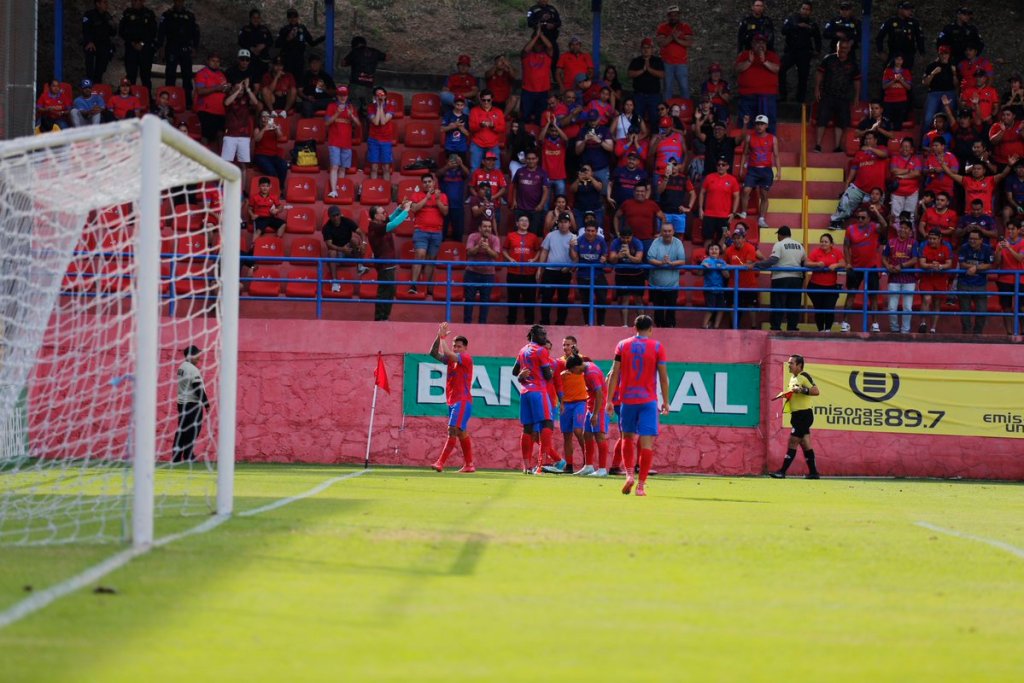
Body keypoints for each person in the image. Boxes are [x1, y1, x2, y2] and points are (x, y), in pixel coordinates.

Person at [604, 315, 670, 497]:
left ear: (634, 328)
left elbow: (614, 373)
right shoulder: (657, 347)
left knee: (627, 438)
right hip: (648, 401)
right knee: (647, 444)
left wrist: (609, 400)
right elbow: (664, 378)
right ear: (651, 329)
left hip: (627, 400)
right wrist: (666, 401)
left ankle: (628, 474)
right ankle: (641, 486)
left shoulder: (622, 345)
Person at [428, 322, 475, 473]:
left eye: (459, 346)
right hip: (453, 400)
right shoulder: (451, 359)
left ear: (465, 348)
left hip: (462, 401)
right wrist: (438, 336)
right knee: (461, 433)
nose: (455, 348)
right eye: (454, 346)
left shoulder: (466, 358)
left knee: (452, 429)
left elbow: (448, 354)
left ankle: (440, 462)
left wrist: (443, 338)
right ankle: (469, 465)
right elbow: (433, 353)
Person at [512, 325, 556, 474]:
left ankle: (526, 467)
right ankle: (541, 465)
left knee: (528, 428)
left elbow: (514, 371)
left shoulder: (522, 350)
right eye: (542, 334)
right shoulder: (541, 351)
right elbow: (548, 376)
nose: (544, 337)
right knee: (547, 424)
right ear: (533, 335)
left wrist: (521, 376)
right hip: (538, 391)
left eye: (545, 334)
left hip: (525, 392)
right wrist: (550, 371)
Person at [768, 355, 820, 479]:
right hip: (796, 415)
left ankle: (782, 472)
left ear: (799, 365)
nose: (788, 365)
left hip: (804, 415)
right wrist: (786, 395)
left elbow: (816, 391)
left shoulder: (804, 376)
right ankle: (814, 473)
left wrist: (802, 390)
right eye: (788, 363)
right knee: (806, 444)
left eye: (791, 363)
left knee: (793, 441)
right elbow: (795, 393)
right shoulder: (792, 378)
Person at [840, 207, 887, 333]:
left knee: (873, 297)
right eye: (858, 217)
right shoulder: (850, 229)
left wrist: (876, 211)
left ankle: (875, 323)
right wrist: (848, 263)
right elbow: (846, 246)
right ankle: (845, 323)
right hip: (855, 268)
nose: (860, 220)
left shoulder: (874, 227)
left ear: (869, 219)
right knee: (851, 294)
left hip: (871, 268)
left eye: (863, 217)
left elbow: (884, 225)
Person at [829, 131, 889, 229]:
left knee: (872, 211)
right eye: (866, 139)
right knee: (846, 199)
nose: (867, 141)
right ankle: (836, 222)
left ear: (876, 140)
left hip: (875, 191)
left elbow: (884, 155)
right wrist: (848, 182)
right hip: (858, 187)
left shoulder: (881, 149)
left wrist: (870, 149)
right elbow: (854, 169)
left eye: (870, 138)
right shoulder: (860, 154)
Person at [563, 355, 609, 476]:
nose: (573, 373)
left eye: (573, 371)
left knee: (599, 436)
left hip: (599, 408)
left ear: (577, 366)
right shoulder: (586, 366)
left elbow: (599, 393)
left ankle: (602, 469)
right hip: (591, 407)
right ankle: (588, 466)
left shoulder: (591, 373)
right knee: (586, 434)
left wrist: (595, 414)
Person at [753, 225, 806, 330]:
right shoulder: (799, 245)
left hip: (780, 278)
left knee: (778, 304)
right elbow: (804, 262)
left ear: (780, 235)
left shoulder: (779, 244)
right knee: (794, 305)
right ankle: (792, 327)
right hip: (796, 279)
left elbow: (773, 260)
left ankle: (776, 327)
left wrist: (756, 265)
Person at [367, 202, 411, 322]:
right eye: (382, 213)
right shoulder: (376, 227)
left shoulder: (379, 223)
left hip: (388, 263)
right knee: (385, 291)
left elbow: (390, 218)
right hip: (384, 264)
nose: (385, 214)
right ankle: (380, 317)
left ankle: (384, 316)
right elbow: (394, 223)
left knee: (389, 290)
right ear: (376, 216)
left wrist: (399, 209)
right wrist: (406, 211)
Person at [814, 37, 859, 153]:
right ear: (837, 48)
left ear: (849, 49)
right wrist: (817, 88)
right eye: (840, 48)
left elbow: (857, 80)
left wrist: (856, 96)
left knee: (841, 122)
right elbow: (820, 73)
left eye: (845, 48)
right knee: (822, 119)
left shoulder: (853, 63)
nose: (842, 50)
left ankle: (837, 146)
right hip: (827, 95)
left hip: (844, 97)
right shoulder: (828, 59)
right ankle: (818, 145)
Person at [407, 174, 449, 295]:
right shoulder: (416, 195)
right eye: (424, 182)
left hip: (436, 232)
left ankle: (426, 286)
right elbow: (414, 209)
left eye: (429, 181)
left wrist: (437, 199)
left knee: (431, 259)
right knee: (420, 254)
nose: (427, 184)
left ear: (433, 183)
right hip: (421, 231)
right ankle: (413, 285)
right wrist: (426, 197)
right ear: (422, 184)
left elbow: (445, 212)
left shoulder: (442, 196)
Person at [738, 114, 781, 229]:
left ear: (766, 125)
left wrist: (779, 170)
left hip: (766, 170)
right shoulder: (749, 137)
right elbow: (744, 154)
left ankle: (761, 218)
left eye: (762, 124)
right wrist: (741, 168)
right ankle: (744, 212)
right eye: (757, 124)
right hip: (752, 169)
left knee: (764, 194)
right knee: (746, 190)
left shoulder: (772, 138)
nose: (759, 126)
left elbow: (776, 155)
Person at [157, 0, 200, 109]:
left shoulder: (189, 16)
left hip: (185, 48)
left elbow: (195, 32)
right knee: (170, 74)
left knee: (187, 75)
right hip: (172, 47)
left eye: (181, 1)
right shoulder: (167, 15)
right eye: (177, 1)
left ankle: (187, 101)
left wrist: (195, 47)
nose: (179, 3)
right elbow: (161, 32)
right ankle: (168, 100)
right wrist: (160, 48)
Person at [734, 33, 781, 133]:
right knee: (746, 122)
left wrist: (764, 61)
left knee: (768, 121)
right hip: (747, 95)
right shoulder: (745, 54)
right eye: (758, 42)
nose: (761, 45)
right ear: (752, 44)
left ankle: (769, 144)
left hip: (767, 95)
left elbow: (776, 69)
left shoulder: (772, 55)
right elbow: (738, 69)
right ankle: (744, 144)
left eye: (763, 42)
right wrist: (749, 61)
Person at [537, 212, 577, 326]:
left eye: (566, 222)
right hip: (550, 270)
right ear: (557, 223)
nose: (563, 224)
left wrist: (570, 268)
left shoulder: (574, 237)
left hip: (565, 272)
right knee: (546, 297)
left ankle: (561, 322)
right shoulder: (550, 235)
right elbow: (544, 251)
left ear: (569, 224)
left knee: (563, 298)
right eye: (561, 222)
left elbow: (576, 257)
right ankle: (544, 321)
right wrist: (540, 268)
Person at [172, 345, 209, 463]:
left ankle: (176, 456)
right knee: (193, 431)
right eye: (197, 355)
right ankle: (188, 456)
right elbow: (198, 388)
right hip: (192, 405)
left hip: (182, 404)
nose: (199, 357)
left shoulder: (182, 367)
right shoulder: (193, 370)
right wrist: (206, 404)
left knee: (182, 430)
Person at [779, 1, 822, 103]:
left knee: (803, 76)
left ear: (810, 12)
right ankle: (782, 95)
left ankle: (800, 99)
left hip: (804, 53)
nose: (805, 11)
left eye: (807, 9)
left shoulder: (812, 24)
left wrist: (817, 50)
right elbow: (783, 30)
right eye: (803, 9)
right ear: (800, 9)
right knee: (780, 69)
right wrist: (798, 26)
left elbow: (818, 38)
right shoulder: (792, 19)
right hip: (791, 51)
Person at [883, 217, 920, 334]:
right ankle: (894, 329)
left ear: (910, 231)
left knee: (907, 307)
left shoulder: (914, 243)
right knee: (892, 307)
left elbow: (915, 259)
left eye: (906, 228)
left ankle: (905, 331)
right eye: (901, 228)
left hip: (909, 280)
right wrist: (888, 265)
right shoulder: (891, 242)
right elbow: (884, 256)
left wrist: (902, 266)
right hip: (894, 279)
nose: (903, 230)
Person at [504, 215, 543, 325]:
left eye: (526, 221)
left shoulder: (533, 237)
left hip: (529, 274)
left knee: (530, 302)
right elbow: (504, 249)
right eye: (521, 220)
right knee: (512, 301)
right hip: (513, 274)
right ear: (517, 223)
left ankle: (530, 325)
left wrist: (534, 259)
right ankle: (511, 323)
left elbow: (539, 250)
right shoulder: (510, 236)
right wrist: (509, 258)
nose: (524, 223)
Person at [647, 223, 686, 328]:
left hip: (672, 285)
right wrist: (661, 263)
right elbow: (650, 258)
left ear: (673, 232)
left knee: (671, 311)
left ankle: (670, 327)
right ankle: (659, 327)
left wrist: (671, 263)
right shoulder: (656, 242)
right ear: (661, 232)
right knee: (658, 310)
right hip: (656, 284)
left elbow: (682, 260)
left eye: (669, 231)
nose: (667, 233)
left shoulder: (678, 243)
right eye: (665, 231)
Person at [804, 232, 845, 332]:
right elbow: (806, 263)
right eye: (821, 241)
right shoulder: (816, 252)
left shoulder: (837, 252)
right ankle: (820, 330)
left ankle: (828, 330)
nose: (823, 243)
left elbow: (843, 263)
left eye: (826, 242)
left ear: (831, 244)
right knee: (819, 310)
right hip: (815, 286)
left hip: (831, 287)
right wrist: (817, 264)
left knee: (829, 309)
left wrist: (836, 265)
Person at [463, 218, 501, 324]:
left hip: (488, 275)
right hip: (471, 273)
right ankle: (467, 324)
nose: (487, 229)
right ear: (480, 228)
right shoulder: (472, 237)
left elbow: (496, 255)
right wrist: (478, 246)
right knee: (469, 300)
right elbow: (469, 253)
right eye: (485, 226)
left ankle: (482, 325)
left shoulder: (495, 239)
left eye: (489, 227)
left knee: (485, 301)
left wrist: (488, 248)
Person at [916, 228, 954, 333]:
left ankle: (933, 328)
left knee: (937, 303)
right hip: (927, 278)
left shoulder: (946, 248)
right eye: (930, 238)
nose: (931, 241)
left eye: (934, 239)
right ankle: (923, 323)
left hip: (941, 279)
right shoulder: (924, 247)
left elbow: (949, 263)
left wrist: (941, 266)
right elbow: (922, 263)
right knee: (927, 299)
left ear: (940, 238)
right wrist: (931, 266)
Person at [957, 228, 994, 334]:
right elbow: (962, 263)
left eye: (975, 239)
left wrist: (975, 268)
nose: (972, 241)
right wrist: (975, 266)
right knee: (965, 312)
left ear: (981, 240)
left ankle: (978, 333)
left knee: (982, 311)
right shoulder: (964, 248)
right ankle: (967, 333)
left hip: (980, 284)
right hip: (964, 283)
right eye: (970, 238)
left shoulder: (987, 249)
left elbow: (989, 264)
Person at [325, 86, 360, 197]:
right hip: (334, 141)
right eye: (340, 95)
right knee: (335, 166)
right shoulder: (331, 106)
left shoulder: (351, 107)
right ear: (337, 96)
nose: (342, 97)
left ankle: (338, 190)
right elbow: (326, 123)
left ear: (347, 96)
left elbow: (358, 124)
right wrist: (337, 113)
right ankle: (333, 190)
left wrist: (351, 115)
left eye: (344, 95)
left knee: (342, 168)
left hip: (346, 142)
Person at [608, 226, 646, 327]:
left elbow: (638, 260)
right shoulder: (615, 243)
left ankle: (641, 325)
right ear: (620, 236)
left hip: (637, 275)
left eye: (628, 238)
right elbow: (612, 260)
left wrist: (628, 255)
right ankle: (624, 324)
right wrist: (618, 256)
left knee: (638, 299)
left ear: (631, 236)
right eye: (623, 238)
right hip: (622, 275)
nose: (625, 240)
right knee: (624, 299)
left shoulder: (637, 242)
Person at [724, 225, 760, 328]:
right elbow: (724, 266)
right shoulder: (729, 250)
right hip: (733, 284)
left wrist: (730, 267)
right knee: (732, 305)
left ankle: (754, 326)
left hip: (749, 284)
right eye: (734, 238)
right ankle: (734, 326)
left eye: (738, 238)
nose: (736, 240)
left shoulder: (750, 248)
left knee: (751, 305)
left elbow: (748, 265)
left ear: (744, 238)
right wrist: (725, 269)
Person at [698, 159, 741, 246]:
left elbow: (737, 197)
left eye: (723, 164)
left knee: (723, 238)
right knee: (707, 238)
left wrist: (733, 213)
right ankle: (707, 259)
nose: (721, 166)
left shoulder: (732, 180)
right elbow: (702, 193)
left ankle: (722, 259)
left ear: (727, 167)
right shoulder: (709, 177)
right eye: (719, 164)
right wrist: (700, 209)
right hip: (709, 215)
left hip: (724, 217)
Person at [575, 213, 609, 325]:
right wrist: (571, 248)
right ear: (585, 230)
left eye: (592, 231)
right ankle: (587, 323)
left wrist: (604, 258)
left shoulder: (601, 241)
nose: (590, 233)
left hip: (598, 275)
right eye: (588, 230)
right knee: (585, 301)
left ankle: (601, 323)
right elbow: (574, 258)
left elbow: (605, 254)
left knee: (602, 300)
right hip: (583, 275)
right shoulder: (579, 240)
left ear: (596, 231)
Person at [119, 0, 158, 93]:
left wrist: (142, 43)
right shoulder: (127, 14)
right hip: (131, 49)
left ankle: (147, 98)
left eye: (138, 1)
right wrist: (132, 42)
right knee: (131, 75)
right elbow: (121, 31)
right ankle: (129, 98)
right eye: (134, 1)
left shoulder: (149, 14)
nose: (136, 2)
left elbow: (153, 31)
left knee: (146, 76)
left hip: (145, 49)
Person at [656, 5, 694, 101]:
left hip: (681, 63)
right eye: (671, 15)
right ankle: (666, 110)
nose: (673, 17)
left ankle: (687, 109)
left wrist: (675, 39)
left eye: (675, 15)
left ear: (679, 15)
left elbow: (689, 43)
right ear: (668, 16)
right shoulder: (662, 27)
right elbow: (662, 43)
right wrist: (672, 37)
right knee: (667, 88)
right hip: (667, 63)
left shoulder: (685, 27)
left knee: (684, 87)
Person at [221, 79, 260, 170]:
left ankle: (242, 184)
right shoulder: (228, 97)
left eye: (242, 90)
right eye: (238, 89)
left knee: (243, 165)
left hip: (244, 135)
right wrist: (237, 90)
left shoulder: (246, 99)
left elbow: (256, 102)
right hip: (230, 135)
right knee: (226, 162)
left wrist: (248, 89)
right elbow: (226, 103)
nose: (240, 91)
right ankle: (226, 184)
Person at [323, 206, 367, 287]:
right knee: (332, 252)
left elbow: (360, 232)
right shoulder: (326, 228)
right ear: (329, 217)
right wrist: (342, 249)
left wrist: (364, 243)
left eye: (337, 215)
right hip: (337, 253)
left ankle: (359, 266)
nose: (336, 217)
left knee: (354, 240)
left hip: (349, 250)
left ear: (340, 214)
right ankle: (335, 282)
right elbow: (329, 244)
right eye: (333, 216)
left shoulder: (347, 221)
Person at [875, 1, 925, 71]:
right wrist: (880, 51)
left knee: (906, 78)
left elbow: (920, 38)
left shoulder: (914, 22)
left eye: (910, 10)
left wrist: (922, 53)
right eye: (907, 9)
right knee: (890, 76)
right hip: (893, 54)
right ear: (900, 9)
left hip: (908, 55)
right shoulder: (891, 21)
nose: (909, 11)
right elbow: (879, 37)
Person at [275, 7, 324, 80]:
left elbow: (312, 43)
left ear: (297, 17)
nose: (293, 19)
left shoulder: (302, 28)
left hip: (299, 60)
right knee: (287, 80)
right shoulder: (284, 29)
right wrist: (287, 39)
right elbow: (277, 44)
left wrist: (324, 37)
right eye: (290, 17)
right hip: (287, 60)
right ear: (288, 19)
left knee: (299, 80)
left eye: (294, 17)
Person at [628, 38, 665, 128]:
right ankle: (637, 135)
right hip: (639, 95)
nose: (646, 50)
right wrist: (643, 70)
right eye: (644, 47)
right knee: (637, 117)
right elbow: (630, 74)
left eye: (648, 47)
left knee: (654, 117)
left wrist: (649, 69)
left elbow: (662, 75)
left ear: (652, 49)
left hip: (653, 95)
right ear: (641, 49)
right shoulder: (636, 61)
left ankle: (654, 136)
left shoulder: (657, 60)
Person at [994, 221, 1024, 335]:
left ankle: (1023, 332)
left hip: (1021, 280)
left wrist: (1009, 247)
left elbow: (1020, 258)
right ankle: (1009, 333)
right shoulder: (1000, 243)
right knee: (1006, 308)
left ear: (1018, 230)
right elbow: (996, 263)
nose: (1010, 231)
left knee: (1021, 308)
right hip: (1004, 280)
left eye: (1013, 229)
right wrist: (999, 251)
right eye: (1009, 229)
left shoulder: (1023, 243)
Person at [194, 53, 230, 146]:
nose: (215, 63)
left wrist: (228, 88)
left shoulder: (221, 75)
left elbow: (224, 90)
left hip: (220, 110)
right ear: (208, 61)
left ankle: (221, 158)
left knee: (221, 135)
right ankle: (203, 158)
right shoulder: (201, 73)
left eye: (218, 61)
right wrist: (216, 88)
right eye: (213, 61)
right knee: (205, 135)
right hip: (206, 110)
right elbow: (200, 91)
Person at [512, 150, 551, 236]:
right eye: (529, 159)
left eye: (533, 159)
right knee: (518, 232)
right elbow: (515, 187)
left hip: (535, 209)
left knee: (533, 234)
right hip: (520, 208)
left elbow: (546, 190)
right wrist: (514, 200)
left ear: (537, 159)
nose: (531, 161)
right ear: (525, 160)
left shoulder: (542, 173)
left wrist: (541, 205)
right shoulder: (519, 171)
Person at [82, 0, 117, 85]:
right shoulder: (89, 15)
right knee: (90, 70)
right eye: (104, 3)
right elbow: (85, 30)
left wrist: (113, 25)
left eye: (106, 3)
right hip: (92, 45)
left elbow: (112, 33)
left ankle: (97, 86)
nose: (106, 5)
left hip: (104, 46)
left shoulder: (107, 16)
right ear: (98, 4)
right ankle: (89, 88)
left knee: (100, 70)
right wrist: (89, 41)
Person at [889, 137, 923, 224]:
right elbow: (894, 171)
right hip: (897, 192)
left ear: (912, 149)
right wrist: (909, 170)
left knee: (910, 216)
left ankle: (910, 237)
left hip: (912, 191)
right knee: (895, 216)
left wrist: (902, 176)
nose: (905, 149)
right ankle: (897, 236)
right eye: (903, 146)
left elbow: (917, 173)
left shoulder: (916, 159)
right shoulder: (895, 158)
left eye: (907, 147)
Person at [367, 86, 397, 181]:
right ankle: (372, 189)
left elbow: (383, 121)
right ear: (374, 97)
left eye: (381, 94)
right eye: (377, 95)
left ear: (385, 96)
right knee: (374, 167)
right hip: (373, 139)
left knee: (386, 168)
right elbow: (376, 122)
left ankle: (386, 190)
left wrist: (380, 106)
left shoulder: (391, 106)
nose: (379, 96)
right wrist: (379, 106)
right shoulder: (370, 107)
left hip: (386, 140)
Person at [253, 111, 288, 189]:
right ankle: (275, 189)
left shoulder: (273, 128)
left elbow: (280, 136)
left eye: (267, 116)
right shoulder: (258, 129)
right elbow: (257, 139)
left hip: (273, 155)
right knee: (271, 171)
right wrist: (264, 129)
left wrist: (277, 129)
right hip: (260, 155)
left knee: (283, 165)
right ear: (260, 118)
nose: (265, 118)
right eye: (263, 116)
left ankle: (280, 188)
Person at [237, 8, 273, 80]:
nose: (256, 20)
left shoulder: (264, 29)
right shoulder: (245, 29)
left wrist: (264, 45)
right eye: (254, 17)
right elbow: (240, 41)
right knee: (250, 78)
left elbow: (271, 41)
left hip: (262, 59)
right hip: (249, 59)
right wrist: (251, 48)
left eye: (258, 18)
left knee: (263, 78)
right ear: (250, 18)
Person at [297, 54, 337, 118]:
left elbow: (335, 92)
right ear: (309, 65)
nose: (315, 65)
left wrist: (325, 89)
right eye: (313, 63)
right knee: (306, 107)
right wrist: (307, 97)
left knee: (336, 105)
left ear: (320, 64)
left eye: (317, 62)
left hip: (324, 100)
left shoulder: (326, 76)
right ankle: (309, 126)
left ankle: (331, 126)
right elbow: (299, 92)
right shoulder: (305, 76)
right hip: (310, 101)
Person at [882, 55, 913, 127]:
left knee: (898, 124)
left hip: (901, 101)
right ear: (894, 60)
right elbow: (884, 86)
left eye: (901, 59)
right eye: (897, 59)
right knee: (886, 124)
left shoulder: (906, 72)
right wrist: (894, 80)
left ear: (903, 61)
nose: (899, 61)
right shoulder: (887, 71)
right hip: (888, 101)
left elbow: (908, 87)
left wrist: (901, 80)